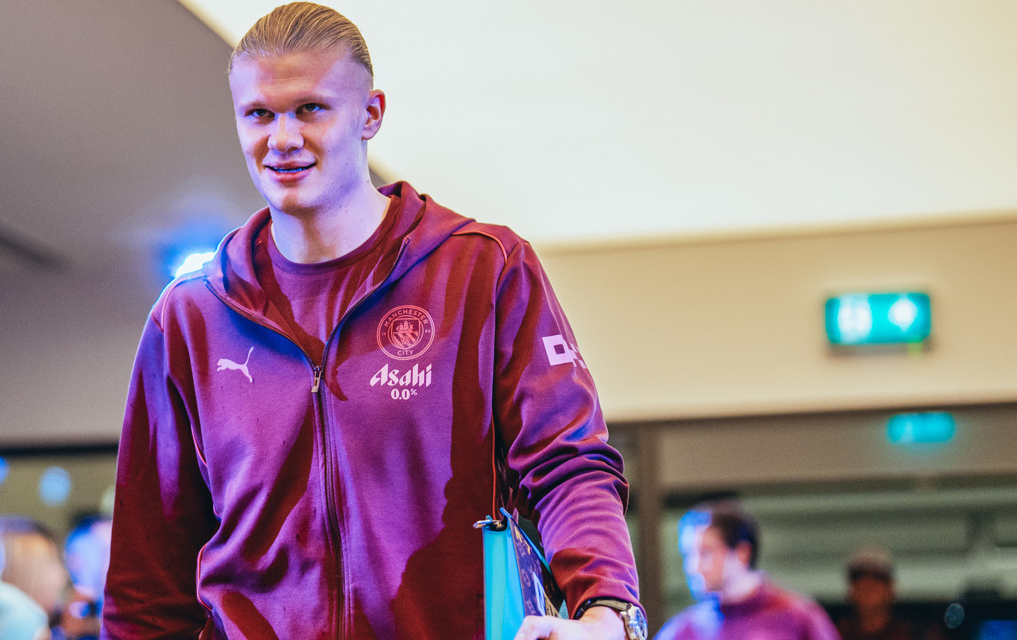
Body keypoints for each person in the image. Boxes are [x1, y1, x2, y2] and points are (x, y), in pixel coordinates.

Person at [102, 3, 642, 639]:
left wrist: (607, 612)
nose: (281, 138)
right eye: (259, 114)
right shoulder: (191, 315)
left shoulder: (481, 270)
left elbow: (566, 463)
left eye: (310, 109)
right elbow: (148, 573)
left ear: (371, 113)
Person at [654, 499, 840, 640]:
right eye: (688, 555)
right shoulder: (684, 629)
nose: (693, 567)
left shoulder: (800, 617)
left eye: (706, 553)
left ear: (742, 552)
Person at [835, 548, 945, 640]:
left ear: (891, 589)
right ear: (850, 591)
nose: (868, 592)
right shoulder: (834, 633)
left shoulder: (917, 634)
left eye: (875, 584)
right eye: (860, 585)